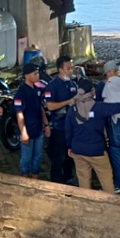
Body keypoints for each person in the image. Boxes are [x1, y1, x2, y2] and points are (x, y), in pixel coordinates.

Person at [65, 79, 120, 193]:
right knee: (106, 179)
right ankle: (110, 204)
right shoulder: (99, 107)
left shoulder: (73, 109)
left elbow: (68, 131)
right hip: (97, 151)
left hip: (78, 151)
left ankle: (85, 204)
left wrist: (69, 146)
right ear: (92, 92)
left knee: (83, 181)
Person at [44, 56, 78, 184]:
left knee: (71, 155)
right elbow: (50, 106)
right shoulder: (52, 86)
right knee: (58, 157)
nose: (71, 71)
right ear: (60, 70)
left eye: (72, 68)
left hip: (73, 127)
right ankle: (56, 182)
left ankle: (68, 177)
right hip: (59, 127)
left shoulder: (73, 84)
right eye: (68, 68)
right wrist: (68, 102)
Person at [14, 63, 50, 178]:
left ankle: (35, 178)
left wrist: (46, 125)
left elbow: (40, 108)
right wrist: (23, 133)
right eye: (35, 74)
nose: (37, 76)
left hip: (38, 131)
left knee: (38, 157)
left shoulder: (37, 90)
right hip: (28, 131)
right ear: (27, 76)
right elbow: (19, 114)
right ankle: (24, 180)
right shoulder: (21, 93)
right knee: (26, 158)